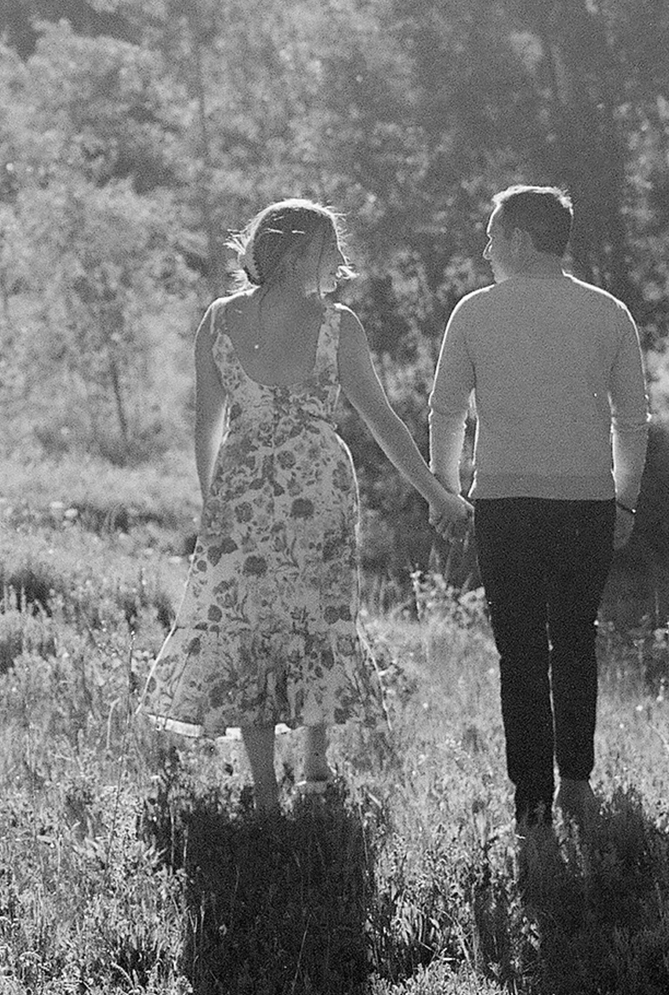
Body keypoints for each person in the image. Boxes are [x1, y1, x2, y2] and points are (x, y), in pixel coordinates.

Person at [145, 198, 473, 814]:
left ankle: (268, 792)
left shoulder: (218, 320)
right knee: (316, 620)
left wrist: (212, 502)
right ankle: (315, 775)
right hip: (317, 485)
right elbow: (381, 421)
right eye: (329, 252)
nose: (338, 265)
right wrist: (438, 493)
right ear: (299, 254)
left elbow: (205, 427)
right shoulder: (336, 325)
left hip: (242, 489)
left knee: (249, 628)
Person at [430, 185, 650, 829]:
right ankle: (575, 785)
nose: (487, 247)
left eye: (493, 236)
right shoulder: (609, 312)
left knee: (520, 652)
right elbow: (632, 418)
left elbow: (446, 413)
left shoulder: (474, 312)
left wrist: (446, 489)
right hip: (587, 503)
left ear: (521, 240)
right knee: (575, 642)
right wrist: (626, 498)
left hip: (505, 505)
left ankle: (531, 805)